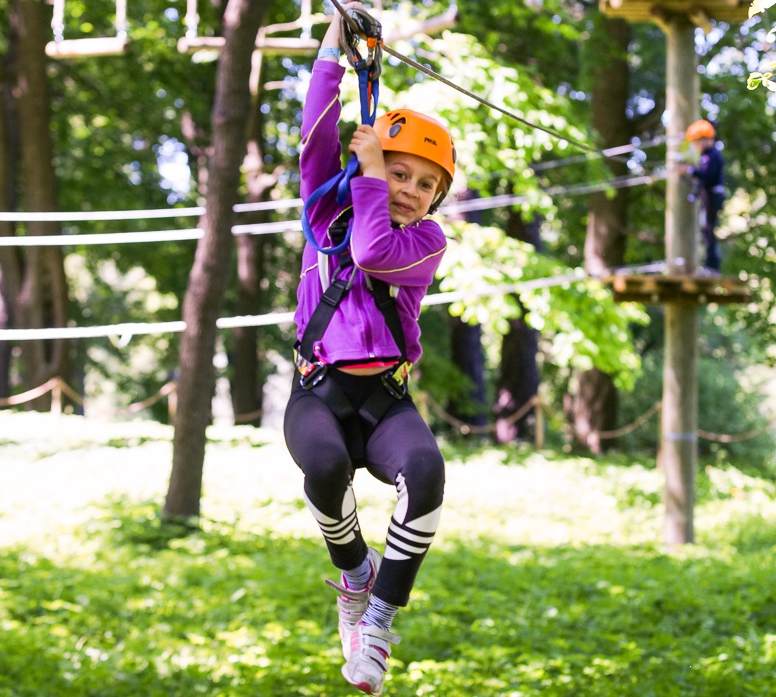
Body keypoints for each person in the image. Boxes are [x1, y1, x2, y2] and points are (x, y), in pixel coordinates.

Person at [282, 3, 456, 694]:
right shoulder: (326, 205)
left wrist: (376, 167)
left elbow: (371, 246)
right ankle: (355, 576)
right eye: (402, 174)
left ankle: (378, 618)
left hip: (384, 398)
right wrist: (333, 42)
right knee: (322, 465)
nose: (410, 190)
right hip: (318, 388)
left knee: (427, 470)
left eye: (425, 183)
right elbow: (317, 124)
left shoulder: (424, 243)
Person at [685, 119, 726, 274]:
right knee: (706, 230)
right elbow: (703, 180)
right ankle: (709, 266)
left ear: (707, 140)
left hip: (713, 196)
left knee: (709, 230)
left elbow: (708, 176)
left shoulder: (713, 155)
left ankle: (712, 267)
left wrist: (691, 171)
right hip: (708, 195)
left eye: (698, 142)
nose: (696, 146)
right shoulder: (705, 156)